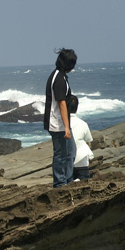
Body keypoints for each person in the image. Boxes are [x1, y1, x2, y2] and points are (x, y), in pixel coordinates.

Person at [44, 48, 77, 188]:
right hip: (56, 123)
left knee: (71, 151)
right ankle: (59, 183)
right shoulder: (58, 79)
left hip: (62, 122)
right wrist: (66, 127)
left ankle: (68, 179)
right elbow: (62, 103)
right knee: (60, 154)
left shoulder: (61, 76)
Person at [67, 95, 94, 181]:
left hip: (67, 162)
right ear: (77, 107)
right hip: (82, 161)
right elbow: (88, 141)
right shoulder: (83, 124)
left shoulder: (61, 124)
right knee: (84, 185)